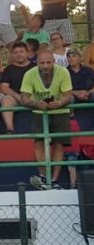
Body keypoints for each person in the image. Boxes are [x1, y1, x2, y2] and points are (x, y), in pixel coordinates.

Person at [21, 50, 73, 190]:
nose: (45, 65)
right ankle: (43, 177)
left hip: (60, 111)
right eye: (42, 62)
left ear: (54, 62)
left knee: (58, 144)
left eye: (48, 62)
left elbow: (68, 95)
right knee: (39, 143)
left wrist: (60, 103)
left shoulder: (63, 72)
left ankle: (54, 179)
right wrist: (35, 103)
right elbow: (24, 97)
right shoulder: (29, 74)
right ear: (37, 63)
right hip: (39, 111)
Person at [0, 42, 34, 134]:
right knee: (6, 99)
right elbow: (4, 88)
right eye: (15, 52)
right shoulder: (8, 69)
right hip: (16, 98)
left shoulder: (36, 67)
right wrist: (18, 96)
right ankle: (10, 129)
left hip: (34, 96)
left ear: (27, 53)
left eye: (21, 51)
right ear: (12, 54)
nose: (19, 54)